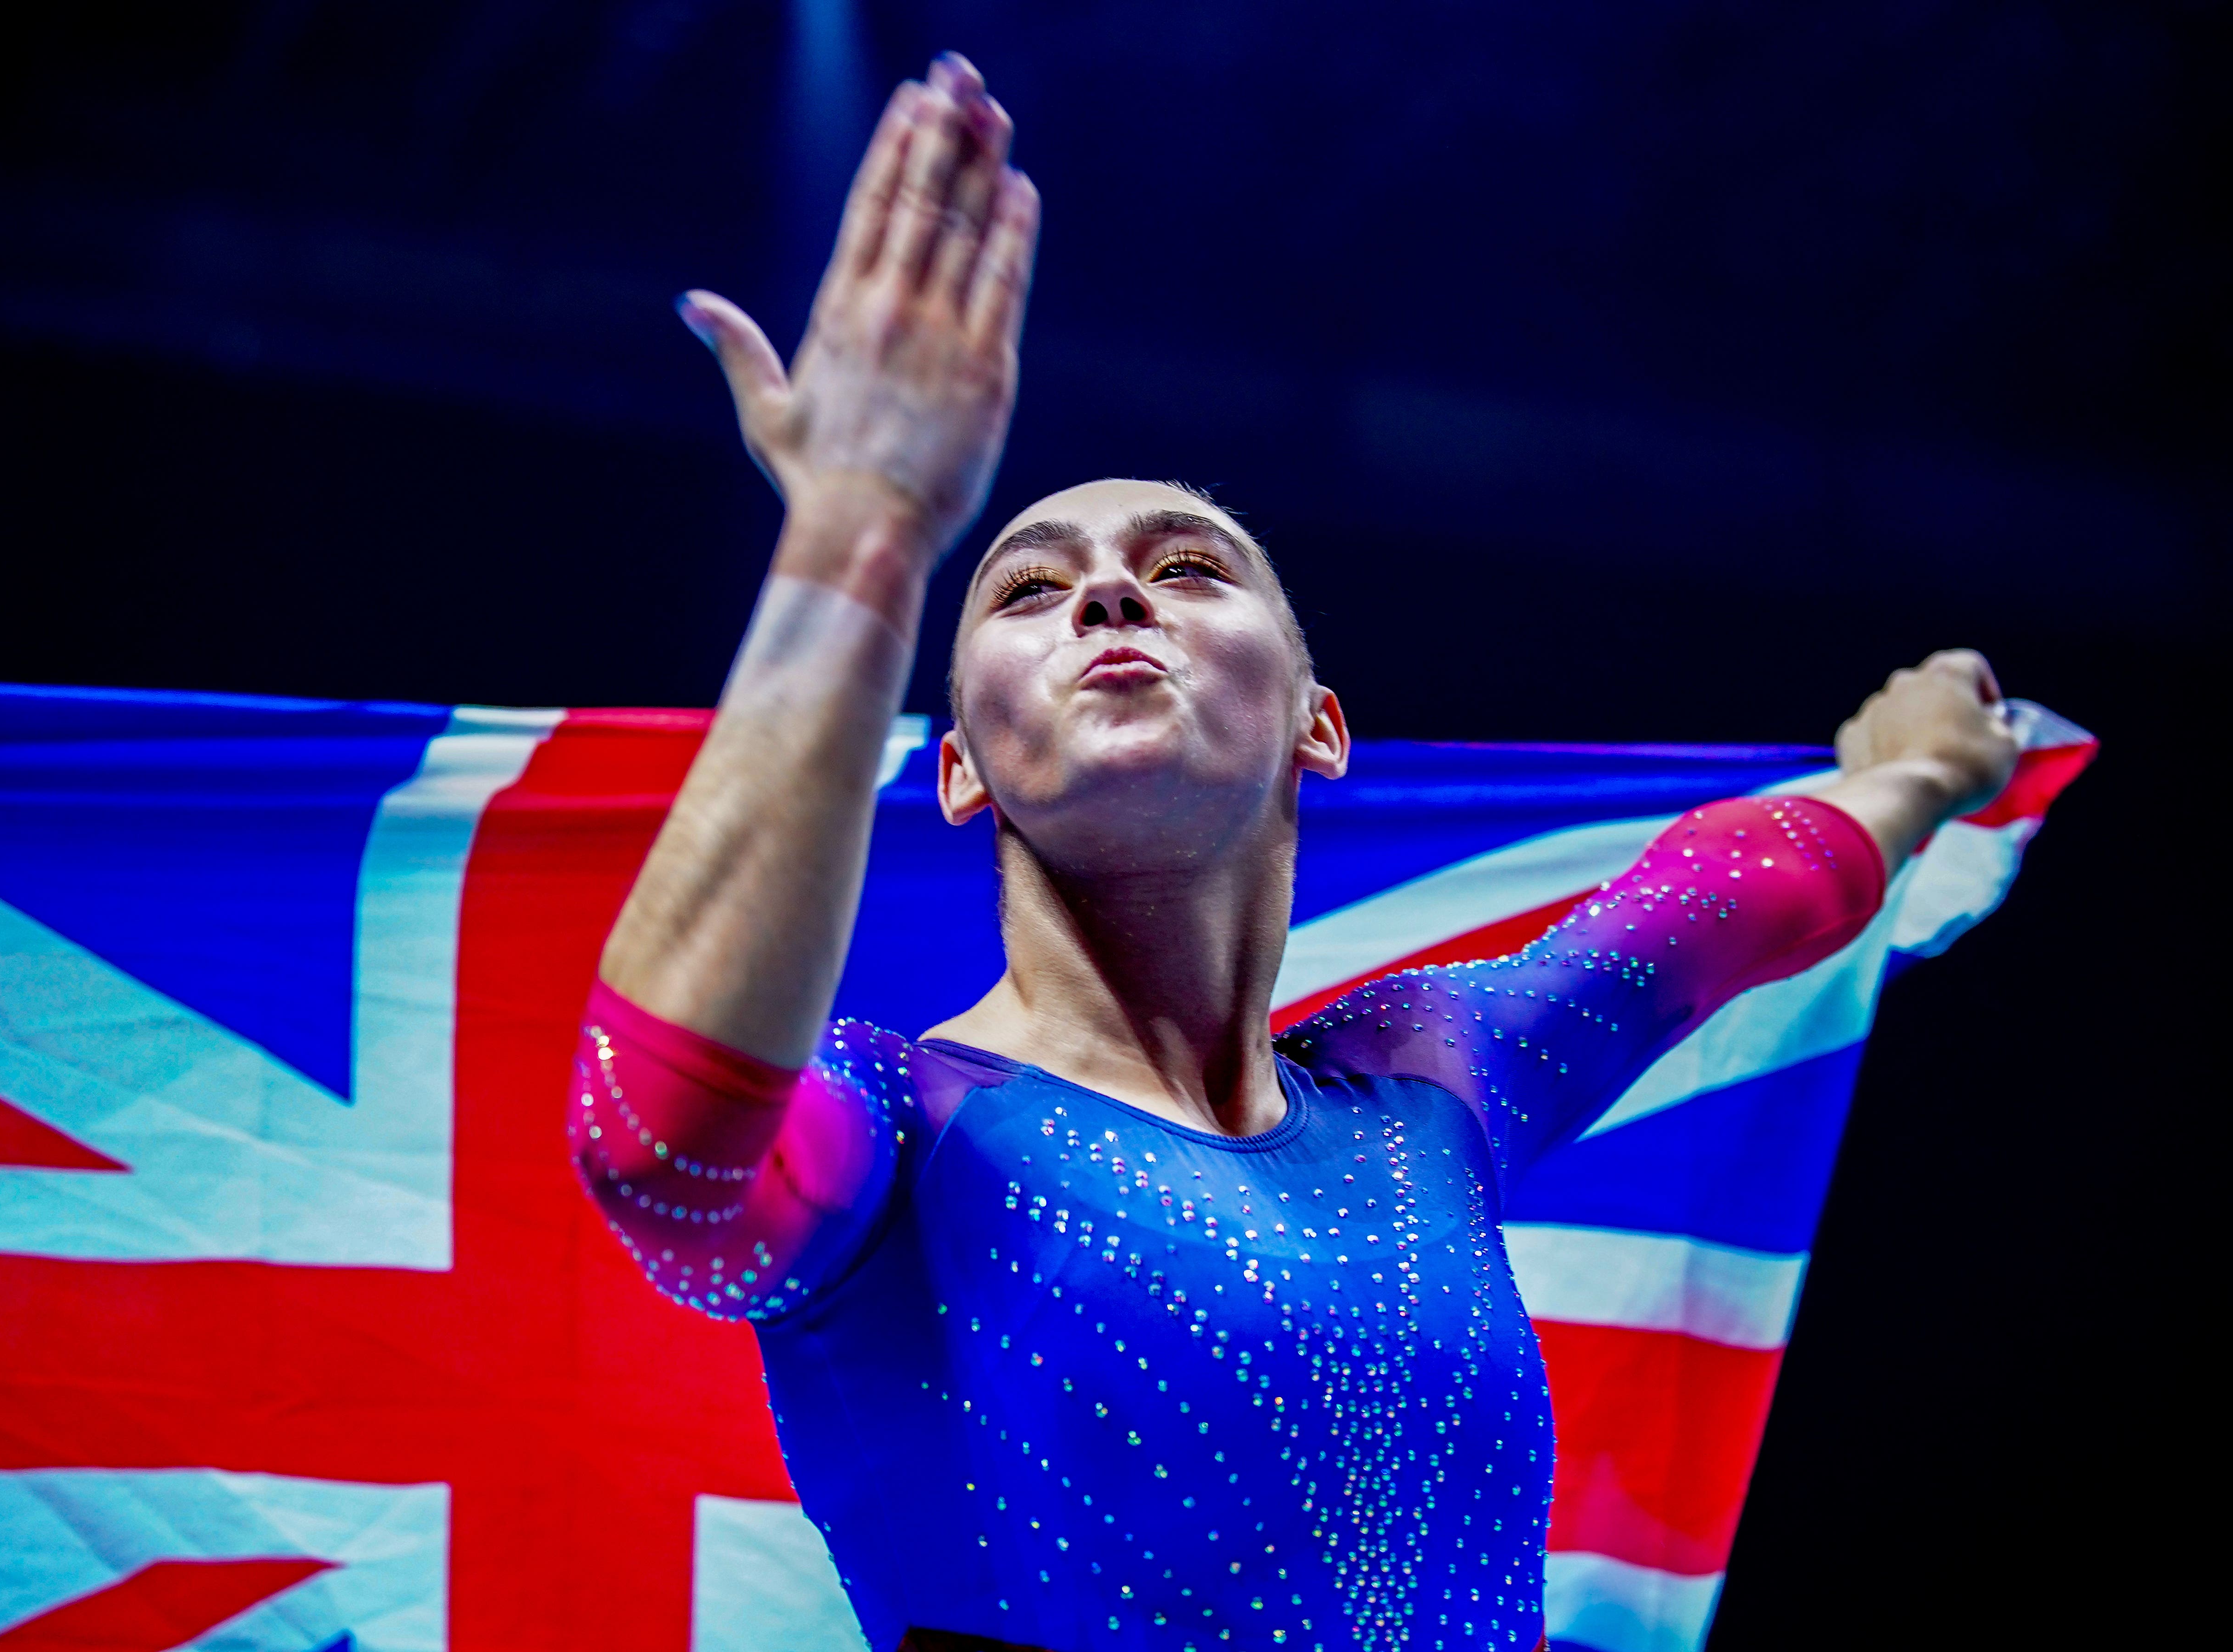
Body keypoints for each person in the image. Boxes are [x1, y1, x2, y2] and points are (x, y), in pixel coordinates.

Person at [567, 53, 2018, 1652]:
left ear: (1319, 725)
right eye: (1030, 589)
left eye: (1185, 567)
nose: (1111, 596)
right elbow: (659, 1148)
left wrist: (1921, 777)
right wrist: (865, 532)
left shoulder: (1425, 1087)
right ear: (963, 771)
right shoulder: (897, 1136)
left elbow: (1719, 905)